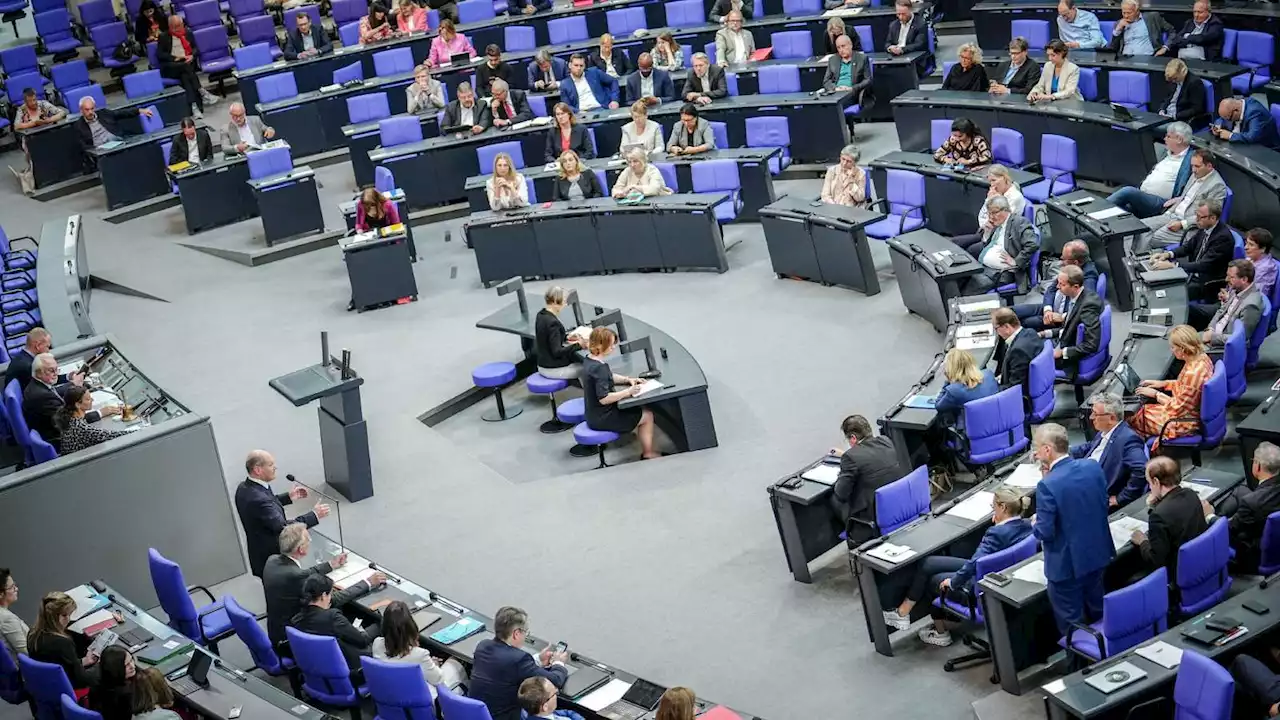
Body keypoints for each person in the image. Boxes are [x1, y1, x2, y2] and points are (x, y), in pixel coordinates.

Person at [882, 486, 1033, 646]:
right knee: (929, 563)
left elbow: (974, 563)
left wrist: (953, 582)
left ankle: (941, 633)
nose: (992, 511)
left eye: (993, 507)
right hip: (999, 573)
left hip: (982, 585)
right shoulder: (1026, 524)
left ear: (1002, 507)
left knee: (935, 581)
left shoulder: (996, 533)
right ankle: (903, 612)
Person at [1031, 423, 1114, 635]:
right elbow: (1101, 504)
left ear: (1048, 449)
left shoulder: (1047, 485)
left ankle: (1077, 665)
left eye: (1037, 447)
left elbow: (1045, 532)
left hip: (1067, 568)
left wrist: (1035, 522)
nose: (1035, 453)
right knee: (1100, 614)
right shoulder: (1092, 466)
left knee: (1072, 628)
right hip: (1097, 555)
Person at [262, 523, 381, 646]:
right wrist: (367, 583)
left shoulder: (272, 561)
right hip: (292, 639)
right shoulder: (296, 577)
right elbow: (330, 600)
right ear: (301, 549)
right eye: (309, 540)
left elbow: (307, 573)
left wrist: (331, 564)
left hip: (276, 630)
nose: (310, 541)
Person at [234, 449, 330, 578]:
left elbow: (266, 505)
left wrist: (288, 497)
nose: (275, 467)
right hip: (272, 555)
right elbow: (283, 527)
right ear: (258, 469)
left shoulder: (245, 487)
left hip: (259, 550)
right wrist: (314, 515)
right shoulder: (258, 499)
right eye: (270, 465)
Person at [469, 607, 569, 720]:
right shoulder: (518, 660)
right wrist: (558, 662)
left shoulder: (483, 646)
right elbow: (555, 680)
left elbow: (508, 666)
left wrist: (538, 659)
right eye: (525, 632)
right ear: (516, 633)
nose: (525, 636)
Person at [1129, 325, 1216, 448]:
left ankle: (1139, 451)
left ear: (1182, 349)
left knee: (1132, 416)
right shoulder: (1202, 358)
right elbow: (1187, 388)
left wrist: (1156, 394)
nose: (1172, 350)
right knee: (1144, 409)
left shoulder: (1192, 373)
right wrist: (1164, 384)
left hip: (1184, 422)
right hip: (1188, 412)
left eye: (1173, 347)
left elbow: (1177, 408)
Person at [581, 327, 659, 458]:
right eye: (610, 345)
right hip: (603, 418)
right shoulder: (599, 367)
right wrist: (628, 392)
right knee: (647, 415)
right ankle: (648, 453)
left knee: (637, 410)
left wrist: (628, 380)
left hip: (592, 414)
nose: (613, 348)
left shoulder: (589, 360)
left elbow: (608, 376)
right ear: (600, 345)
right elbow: (604, 398)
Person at [829, 414, 903, 544]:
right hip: (896, 504)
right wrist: (846, 455)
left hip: (872, 516)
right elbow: (868, 456)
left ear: (853, 437)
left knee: (834, 500)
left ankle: (852, 534)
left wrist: (845, 464)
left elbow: (841, 493)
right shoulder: (886, 441)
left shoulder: (851, 458)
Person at [1130, 456, 1208, 579]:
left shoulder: (1158, 516)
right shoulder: (1191, 494)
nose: (1150, 488)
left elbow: (1156, 561)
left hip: (1177, 574)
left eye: (1149, 483)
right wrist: (1155, 504)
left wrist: (1143, 542)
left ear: (1156, 481)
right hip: (1201, 562)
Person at [1137, 148, 1226, 251]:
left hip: (1189, 226)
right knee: (1139, 228)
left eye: (1197, 166)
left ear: (1209, 166)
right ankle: (1133, 259)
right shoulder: (1195, 174)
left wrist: (1182, 224)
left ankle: (1138, 262)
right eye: (1192, 166)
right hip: (1173, 215)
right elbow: (1184, 198)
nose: (1193, 170)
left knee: (1151, 238)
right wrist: (1167, 213)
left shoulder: (1217, 186)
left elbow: (1210, 216)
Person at [1145, 198, 1234, 301]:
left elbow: (1204, 265)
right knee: (1158, 280)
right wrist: (1168, 255)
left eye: (1200, 217)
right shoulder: (1205, 228)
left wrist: (1174, 266)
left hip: (1205, 282)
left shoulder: (1223, 238)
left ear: (1213, 218)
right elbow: (1188, 247)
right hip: (1192, 273)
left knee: (1167, 293)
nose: (1196, 220)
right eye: (1196, 215)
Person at [1211, 442, 1280, 572]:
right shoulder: (1254, 498)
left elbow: (1229, 530)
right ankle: (1221, 515)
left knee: (1213, 525)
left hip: (1254, 553)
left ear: (1258, 466)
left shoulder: (1251, 503)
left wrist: (1210, 516)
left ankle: (1216, 515)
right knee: (1240, 490)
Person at [24, 353, 119, 447]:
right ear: (39, 373)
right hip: (58, 439)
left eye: (57, 369)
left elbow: (55, 391)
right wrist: (100, 412)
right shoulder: (42, 396)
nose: (56, 374)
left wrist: (73, 384)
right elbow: (69, 420)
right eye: (51, 370)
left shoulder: (36, 385)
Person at [1070, 393, 1148, 508]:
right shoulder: (1106, 431)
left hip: (1095, 494)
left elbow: (1141, 469)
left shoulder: (1128, 439)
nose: (1091, 417)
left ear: (1111, 418)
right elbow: (1091, 447)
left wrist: (1121, 498)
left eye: (1095, 414)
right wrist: (1063, 453)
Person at [373, 601, 468, 695]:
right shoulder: (419, 654)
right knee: (455, 662)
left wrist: (428, 664)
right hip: (425, 701)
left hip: (392, 695)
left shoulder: (377, 643)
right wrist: (434, 666)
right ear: (410, 626)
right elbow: (438, 679)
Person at [1107, 122, 1193, 219]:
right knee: (1117, 210)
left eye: (1168, 136)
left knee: (1128, 191)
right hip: (1144, 197)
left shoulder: (1192, 159)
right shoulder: (1167, 153)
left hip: (1162, 204)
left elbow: (1197, 185)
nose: (1165, 139)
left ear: (1179, 139)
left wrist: (1181, 198)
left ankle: (1092, 212)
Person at [291, 575, 374, 671]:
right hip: (351, 668)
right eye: (330, 594)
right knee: (378, 627)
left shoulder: (297, 619)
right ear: (323, 595)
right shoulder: (332, 617)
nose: (331, 598)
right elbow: (362, 641)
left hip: (318, 666)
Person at [1014, 240, 1098, 329]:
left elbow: (1085, 307)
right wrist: (1047, 310)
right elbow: (1051, 289)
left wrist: (1062, 317)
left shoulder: (1088, 277)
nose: (1061, 261)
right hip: (1052, 306)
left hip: (1060, 318)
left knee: (1021, 323)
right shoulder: (1070, 269)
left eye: (1063, 258)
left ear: (1076, 262)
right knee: (1012, 312)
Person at [964, 195, 1038, 294]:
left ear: (1005, 210)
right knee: (959, 278)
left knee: (969, 291)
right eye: (989, 214)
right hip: (983, 267)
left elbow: (1032, 244)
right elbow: (987, 244)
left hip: (1000, 273)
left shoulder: (1019, 222)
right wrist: (987, 232)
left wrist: (1016, 262)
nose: (991, 217)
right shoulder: (997, 223)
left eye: (994, 213)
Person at [27, 591, 98, 689]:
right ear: (52, 617)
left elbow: (58, 666)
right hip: (68, 689)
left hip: (48, 686)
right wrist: (100, 668)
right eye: (64, 615)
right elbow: (82, 680)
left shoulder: (32, 634)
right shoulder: (63, 643)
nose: (68, 619)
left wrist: (83, 661)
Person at [952, 164, 1026, 254]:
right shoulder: (996, 194)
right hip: (985, 233)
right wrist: (988, 200)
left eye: (994, 180)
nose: (992, 185)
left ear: (1005, 178)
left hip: (999, 238)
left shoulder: (1014, 198)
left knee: (970, 251)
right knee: (954, 243)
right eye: (990, 181)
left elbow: (998, 223)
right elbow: (982, 218)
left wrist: (992, 201)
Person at [1042, 265, 1102, 376]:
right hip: (1063, 340)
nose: (1058, 287)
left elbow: (1091, 345)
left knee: (1025, 354)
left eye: (1062, 284)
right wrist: (1045, 333)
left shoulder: (1088, 306)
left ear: (1075, 286)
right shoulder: (1078, 297)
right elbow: (1070, 327)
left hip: (1069, 358)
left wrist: (1062, 353)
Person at [157, 15, 218, 116]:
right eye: (175, 26)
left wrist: (191, 56)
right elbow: (160, 54)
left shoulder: (188, 33)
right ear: (170, 26)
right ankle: (201, 91)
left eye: (180, 25)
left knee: (185, 76)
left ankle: (194, 107)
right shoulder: (164, 37)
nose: (178, 28)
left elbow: (196, 49)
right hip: (171, 67)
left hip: (185, 65)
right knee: (186, 68)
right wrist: (175, 58)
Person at [1193, 259, 1263, 347]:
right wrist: (1210, 328)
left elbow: (1240, 338)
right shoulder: (1237, 289)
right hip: (1213, 333)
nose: (1226, 279)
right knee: (1180, 336)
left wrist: (1211, 337)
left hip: (1220, 346)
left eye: (1231, 277)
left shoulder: (1251, 305)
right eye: (1227, 276)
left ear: (1244, 279)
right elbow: (1221, 310)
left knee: (1180, 343)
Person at [74, 96, 154, 170]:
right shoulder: (79, 125)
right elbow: (82, 145)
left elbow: (122, 113)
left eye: (92, 108)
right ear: (81, 110)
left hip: (117, 142)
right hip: (101, 150)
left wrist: (139, 110)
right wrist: (94, 150)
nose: (90, 112)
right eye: (87, 110)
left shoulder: (104, 113)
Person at [55, 385, 130, 455]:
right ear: (77, 404)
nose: (92, 400)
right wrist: (137, 430)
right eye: (88, 399)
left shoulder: (69, 420)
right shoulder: (81, 428)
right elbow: (112, 435)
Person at [933, 347, 999, 427]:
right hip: (997, 423)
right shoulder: (988, 374)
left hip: (974, 430)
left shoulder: (954, 391)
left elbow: (938, 406)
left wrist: (948, 380)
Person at [535, 286, 587, 381]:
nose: (565, 304)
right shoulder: (552, 323)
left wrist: (566, 337)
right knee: (589, 369)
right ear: (555, 301)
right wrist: (578, 345)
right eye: (563, 301)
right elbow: (557, 352)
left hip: (543, 364)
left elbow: (548, 337)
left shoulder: (541, 315)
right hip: (552, 369)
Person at [991, 308, 1042, 400]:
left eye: (996, 328)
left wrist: (989, 390)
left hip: (1019, 401)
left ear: (1006, 327)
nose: (996, 332)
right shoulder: (1031, 332)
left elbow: (1014, 388)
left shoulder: (1018, 351)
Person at [5, 328, 74, 391]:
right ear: (38, 346)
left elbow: (48, 380)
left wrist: (68, 377)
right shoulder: (28, 366)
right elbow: (46, 392)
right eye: (47, 347)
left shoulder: (23, 357)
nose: (48, 351)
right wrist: (73, 385)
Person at [822, 34, 872, 113]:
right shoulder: (833, 59)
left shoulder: (862, 58)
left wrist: (853, 88)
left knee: (835, 108)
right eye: (838, 47)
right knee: (823, 106)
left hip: (851, 93)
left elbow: (868, 79)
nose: (841, 50)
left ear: (850, 45)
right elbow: (826, 81)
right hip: (836, 92)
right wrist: (835, 88)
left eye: (843, 46)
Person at [1159, 0, 1223, 60]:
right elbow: (1177, 38)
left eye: (1200, 12)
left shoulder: (1215, 23)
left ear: (1208, 12)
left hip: (1204, 60)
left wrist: (1187, 37)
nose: (1196, 15)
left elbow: (1203, 38)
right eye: (1194, 12)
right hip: (1183, 57)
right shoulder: (1190, 22)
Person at [1107, 0, 1172, 56]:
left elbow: (1172, 31)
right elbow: (1113, 48)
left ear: (1137, 11)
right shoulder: (1119, 23)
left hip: (1148, 57)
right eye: (1124, 13)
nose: (1126, 16)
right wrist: (1117, 31)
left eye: (1129, 13)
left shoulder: (1152, 17)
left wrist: (1165, 47)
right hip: (1125, 59)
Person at [1212, 96, 1280, 149]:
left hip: (1265, 148)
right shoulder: (1237, 103)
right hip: (1244, 143)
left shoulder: (1255, 112)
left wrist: (1230, 135)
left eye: (1229, 119)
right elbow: (1222, 118)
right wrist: (1217, 125)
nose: (1227, 121)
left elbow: (1252, 137)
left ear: (1236, 111)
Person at [1156, 59, 1207, 127]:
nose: (1173, 81)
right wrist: (1161, 110)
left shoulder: (1194, 83)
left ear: (1183, 72)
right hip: (1166, 116)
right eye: (1172, 79)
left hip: (1180, 119)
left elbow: (1196, 109)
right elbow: (1167, 98)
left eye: (1175, 78)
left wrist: (1175, 116)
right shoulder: (1173, 80)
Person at [885, 0, 930, 77]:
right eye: (898, 14)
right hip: (896, 59)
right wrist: (890, 48)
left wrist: (902, 49)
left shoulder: (920, 24)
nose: (901, 17)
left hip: (915, 59)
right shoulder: (893, 25)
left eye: (903, 14)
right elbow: (888, 42)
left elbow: (919, 44)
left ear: (910, 10)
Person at [89, 646, 134, 720]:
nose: (132, 666)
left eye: (131, 660)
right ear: (115, 669)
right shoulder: (125, 694)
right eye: (126, 665)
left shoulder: (98, 680)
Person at [518, 677, 584, 720]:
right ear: (545, 706)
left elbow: (567, 712)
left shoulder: (530, 711)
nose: (556, 695)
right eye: (555, 693)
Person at [0, 569, 27, 658]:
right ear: (1, 594)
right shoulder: (7, 619)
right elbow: (26, 652)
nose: (16, 589)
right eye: (12, 587)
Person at [1246, 228, 1278, 301]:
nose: (1246, 247)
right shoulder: (1249, 258)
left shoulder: (1266, 269)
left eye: (1251, 245)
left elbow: (1256, 296)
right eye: (1246, 243)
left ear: (1263, 249)